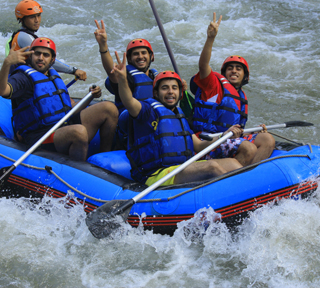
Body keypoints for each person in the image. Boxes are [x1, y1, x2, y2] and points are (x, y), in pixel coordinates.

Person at [111, 52, 256, 186]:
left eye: (174, 88)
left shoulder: (179, 115)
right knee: (212, 167)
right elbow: (128, 101)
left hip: (179, 168)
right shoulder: (147, 111)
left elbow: (198, 146)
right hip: (156, 174)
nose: (170, 92)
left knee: (235, 166)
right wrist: (123, 79)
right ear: (155, 92)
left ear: (180, 93)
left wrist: (224, 136)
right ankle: (243, 197)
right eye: (165, 88)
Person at [0, 37, 118, 161]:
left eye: (45, 55)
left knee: (109, 108)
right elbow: (1, 90)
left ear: (53, 59)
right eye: (37, 53)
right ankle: (78, 172)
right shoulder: (23, 78)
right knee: (79, 132)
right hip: (40, 136)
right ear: (31, 56)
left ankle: (103, 159)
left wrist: (90, 96)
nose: (40, 58)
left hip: (62, 126)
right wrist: (7, 64)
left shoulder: (52, 76)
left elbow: (71, 109)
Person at [189, 12, 275, 164]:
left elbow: (237, 128)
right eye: (230, 68)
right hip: (208, 140)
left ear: (245, 76)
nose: (234, 71)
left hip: (230, 139)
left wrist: (253, 131)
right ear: (224, 72)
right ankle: (233, 177)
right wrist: (211, 38)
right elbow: (203, 66)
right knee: (248, 148)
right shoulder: (214, 84)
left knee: (267, 139)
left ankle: (249, 175)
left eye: (238, 69)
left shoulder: (241, 96)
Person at [5, 0, 87, 80]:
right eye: (32, 17)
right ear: (22, 19)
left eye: (38, 15)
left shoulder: (20, 34)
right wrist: (73, 70)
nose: (37, 20)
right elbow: (46, 61)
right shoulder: (24, 37)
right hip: (20, 81)